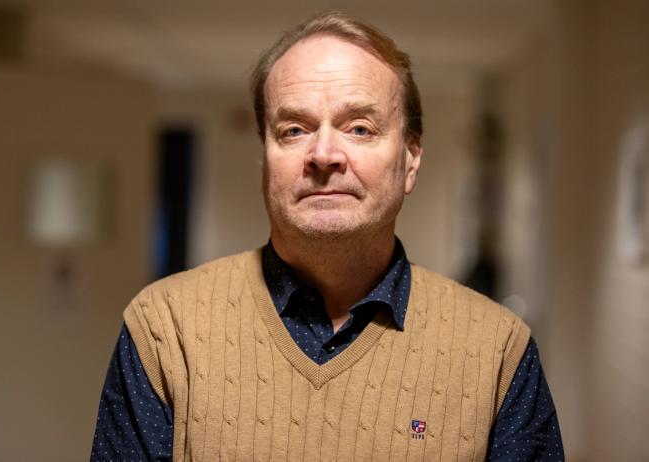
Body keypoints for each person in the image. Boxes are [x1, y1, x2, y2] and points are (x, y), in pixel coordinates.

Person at [91, 11, 563, 461]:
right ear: (265, 158)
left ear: (410, 160)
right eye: (294, 130)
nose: (323, 154)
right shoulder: (165, 330)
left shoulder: (497, 351)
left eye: (359, 128)